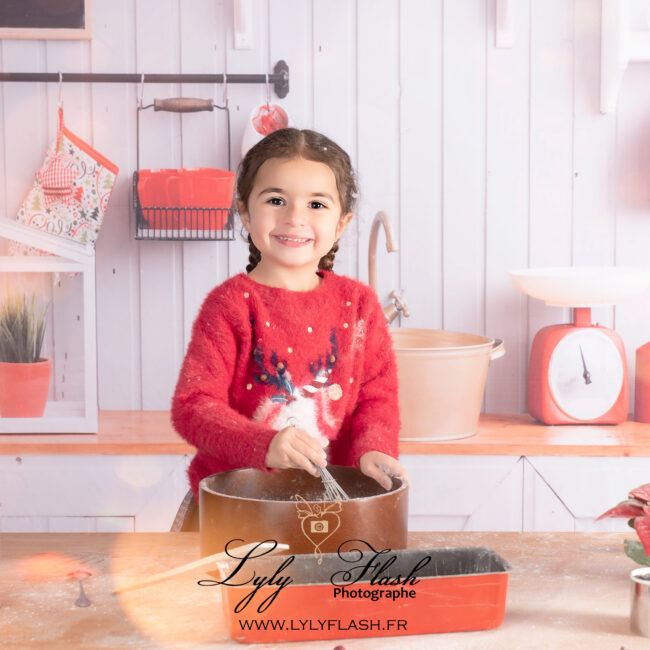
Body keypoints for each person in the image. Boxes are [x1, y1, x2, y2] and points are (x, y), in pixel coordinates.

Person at [170, 128, 408, 526]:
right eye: (276, 200)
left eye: (316, 204)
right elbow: (193, 406)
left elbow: (376, 397)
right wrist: (264, 445)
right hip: (237, 512)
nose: (295, 218)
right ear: (245, 212)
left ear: (341, 223)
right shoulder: (229, 306)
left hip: (335, 514)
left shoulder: (360, 305)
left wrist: (374, 449)